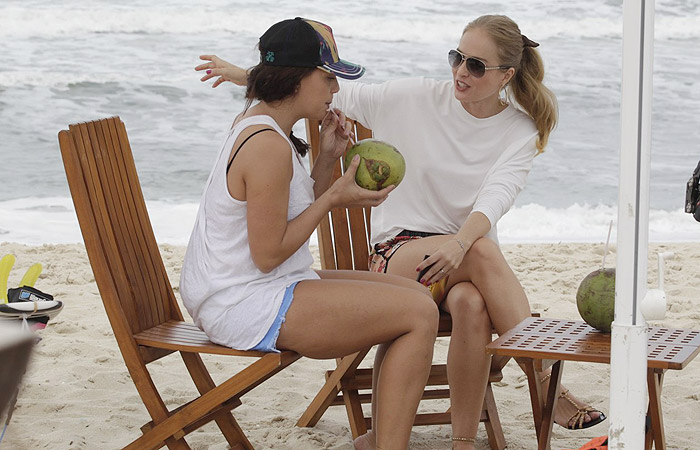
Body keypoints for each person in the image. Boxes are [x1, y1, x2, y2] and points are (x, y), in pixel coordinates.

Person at [195, 14, 606, 449]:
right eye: (457, 58)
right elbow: (269, 248)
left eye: (476, 66)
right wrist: (253, 78)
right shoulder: (275, 140)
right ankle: (545, 384)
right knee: (456, 276)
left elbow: (497, 197)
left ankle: (459, 440)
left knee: (470, 298)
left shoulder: (518, 131)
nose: (460, 72)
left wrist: (456, 241)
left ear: (506, 75)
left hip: (457, 256)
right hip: (385, 256)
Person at [180, 17, 440, 450]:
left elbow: (287, 217)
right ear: (297, 79)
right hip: (244, 300)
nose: (335, 90)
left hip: (254, 285)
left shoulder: (266, 124)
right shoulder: (266, 145)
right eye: (328, 77)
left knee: (412, 297)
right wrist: (334, 197)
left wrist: (327, 161)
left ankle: (381, 440)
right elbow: (268, 253)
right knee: (419, 315)